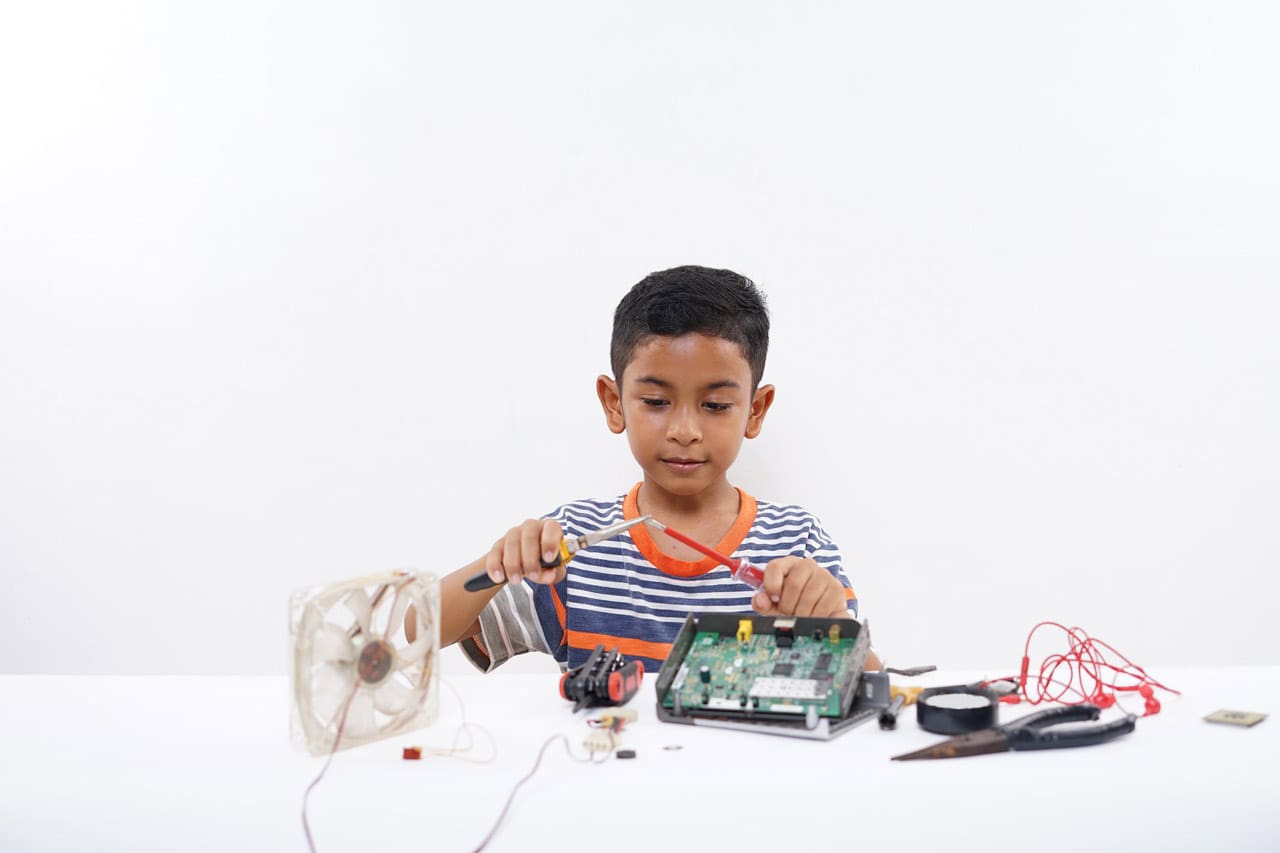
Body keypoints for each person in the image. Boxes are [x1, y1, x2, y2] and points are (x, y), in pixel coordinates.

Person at [433, 265, 881, 673]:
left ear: (755, 410)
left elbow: (872, 681)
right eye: (656, 402)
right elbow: (419, 630)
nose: (684, 430)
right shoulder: (573, 544)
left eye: (716, 405)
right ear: (614, 403)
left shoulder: (797, 542)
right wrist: (500, 564)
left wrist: (829, 626)